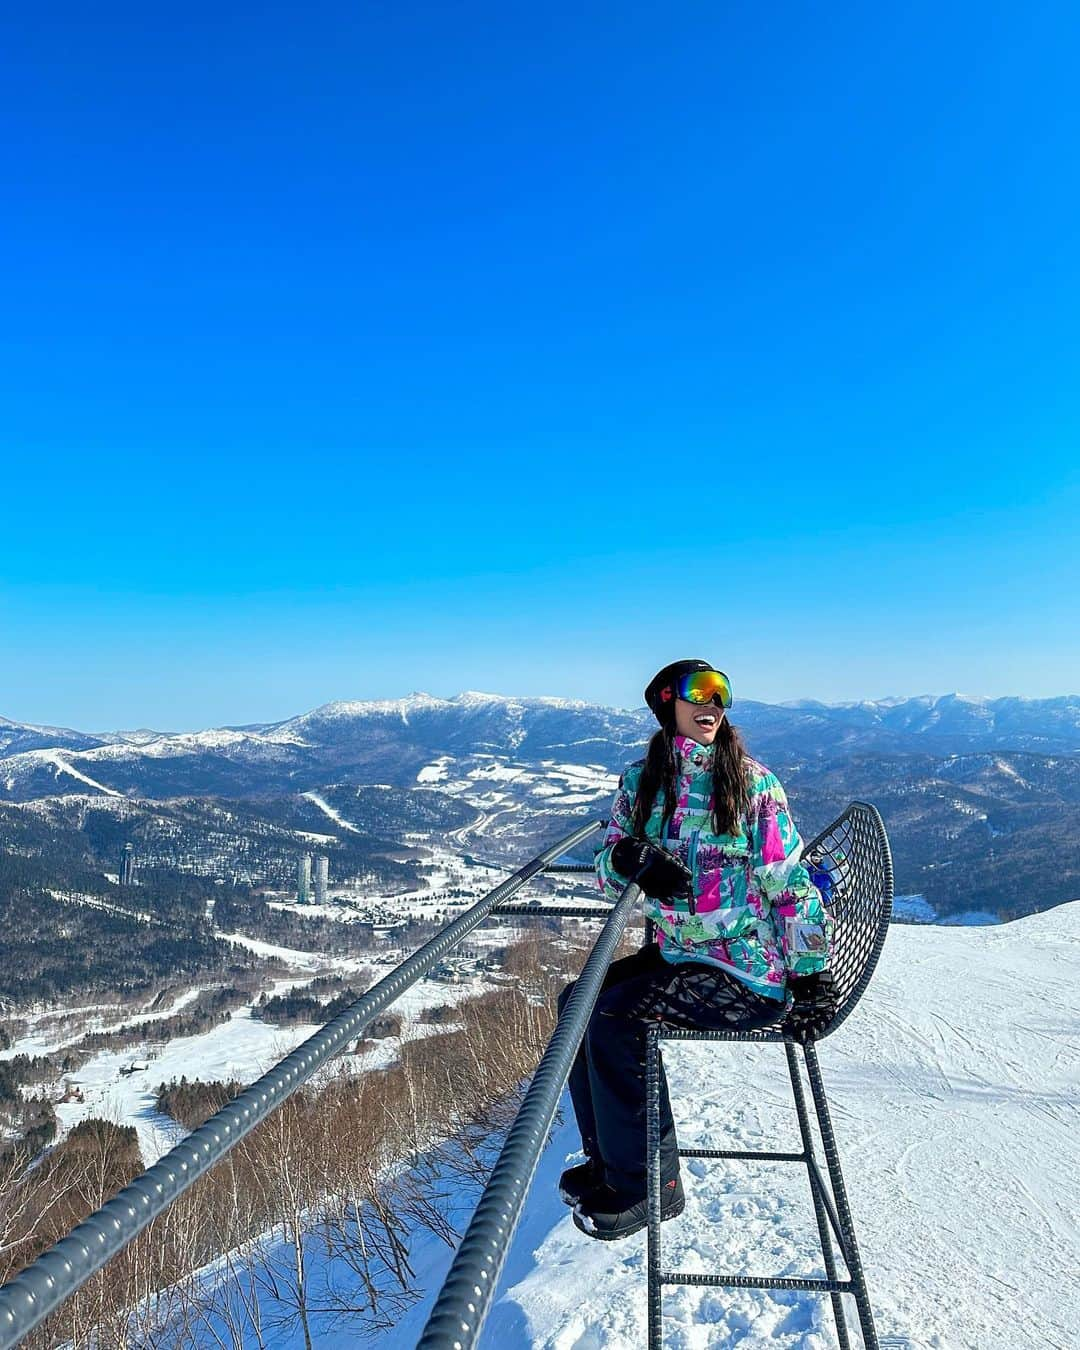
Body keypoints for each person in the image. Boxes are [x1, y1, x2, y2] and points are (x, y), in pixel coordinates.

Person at [558, 659, 836, 1241]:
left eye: (722, 691)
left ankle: (644, 1186)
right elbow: (607, 866)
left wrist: (810, 975)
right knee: (574, 1003)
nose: (713, 702)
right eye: (698, 691)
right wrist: (629, 860)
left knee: (610, 1018)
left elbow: (790, 883)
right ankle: (610, 1158)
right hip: (679, 954)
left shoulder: (753, 784)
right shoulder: (641, 782)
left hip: (745, 971)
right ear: (666, 703)